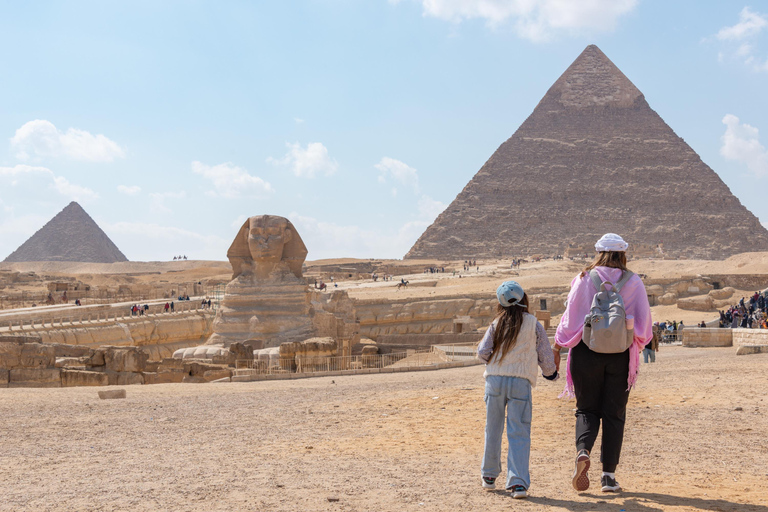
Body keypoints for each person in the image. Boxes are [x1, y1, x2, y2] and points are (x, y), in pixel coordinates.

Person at [553, 233, 652, 494]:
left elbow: (570, 317)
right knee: (614, 414)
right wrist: (632, 343)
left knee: (586, 409)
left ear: (598, 253)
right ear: (623, 254)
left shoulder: (584, 279)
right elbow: (644, 328)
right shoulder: (634, 282)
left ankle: (582, 451)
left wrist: (558, 344)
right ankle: (608, 477)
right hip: (621, 355)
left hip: (586, 352)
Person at [477, 281, 558, 499]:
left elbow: (482, 352)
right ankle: (518, 483)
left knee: (492, 428)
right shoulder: (533, 323)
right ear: (524, 298)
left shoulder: (497, 323)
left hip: (495, 380)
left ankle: (489, 476)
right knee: (519, 431)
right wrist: (550, 374)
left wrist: (495, 360)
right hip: (520, 382)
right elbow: (545, 354)